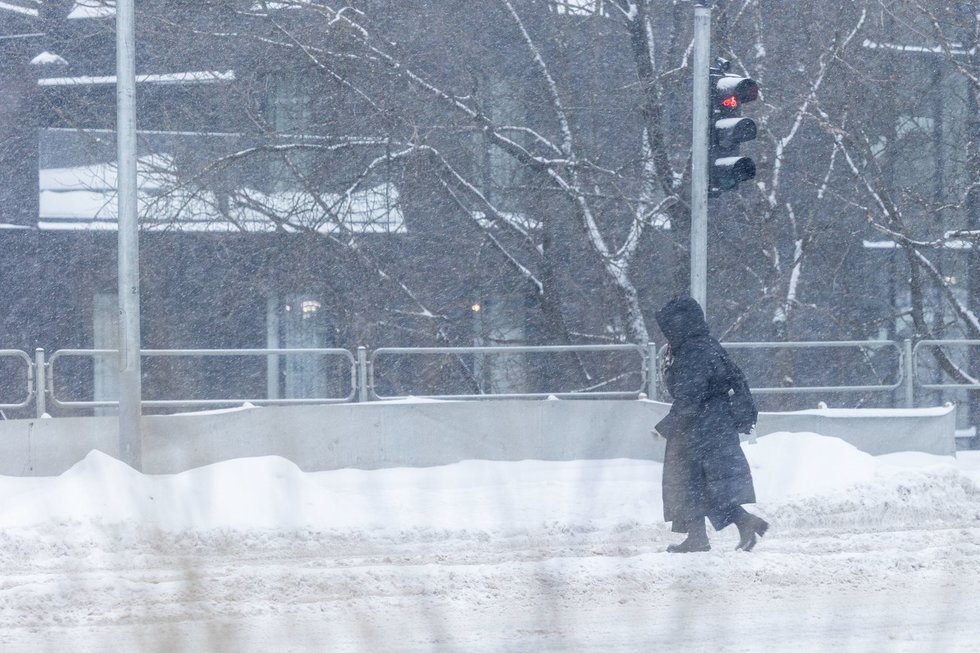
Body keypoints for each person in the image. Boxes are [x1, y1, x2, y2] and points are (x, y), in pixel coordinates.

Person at [653, 295, 769, 553]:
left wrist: (665, 427)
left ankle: (717, 531)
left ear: (679, 325)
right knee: (703, 485)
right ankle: (727, 529)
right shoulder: (705, 345)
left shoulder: (695, 351)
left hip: (699, 428)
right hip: (710, 427)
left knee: (691, 483)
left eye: (669, 327)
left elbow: (691, 395)